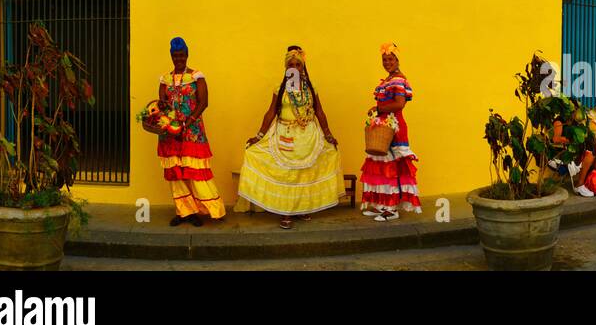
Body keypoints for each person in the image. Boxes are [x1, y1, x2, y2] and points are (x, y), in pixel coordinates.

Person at [237, 46, 345, 229]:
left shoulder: (311, 88)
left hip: (308, 136)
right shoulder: (280, 88)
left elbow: (319, 111)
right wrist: (259, 136)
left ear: (303, 67)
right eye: (291, 65)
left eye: (298, 65)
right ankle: (285, 213)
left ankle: (302, 209)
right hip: (284, 134)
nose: (294, 68)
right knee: (286, 174)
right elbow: (271, 112)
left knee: (304, 174)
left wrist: (328, 134)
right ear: (286, 68)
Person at [157, 37, 226, 227]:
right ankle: (184, 211)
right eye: (175, 55)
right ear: (171, 56)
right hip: (170, 133)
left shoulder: (196, 76)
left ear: (187, 55)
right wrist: (162, 106)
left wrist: (189, 121)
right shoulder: (165, 79)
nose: (178, 59)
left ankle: (209, 209)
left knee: (195, 171)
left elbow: (204, 102)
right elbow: (161, 102)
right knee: (176, 173)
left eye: (181, 55)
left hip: (192, 131)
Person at [360, 43, 421, 222]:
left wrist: (379, 107)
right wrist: (378, 110)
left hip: (395, 129)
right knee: (382, 168)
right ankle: (382, 205)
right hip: (385, 127)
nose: (387, 62)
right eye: (385, 60)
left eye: (391, 59)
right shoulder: (388, 80)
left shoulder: (398, 80)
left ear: (397, 60)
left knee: (392, 168)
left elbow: (399, 104)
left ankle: (392, 208)